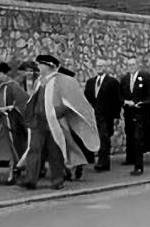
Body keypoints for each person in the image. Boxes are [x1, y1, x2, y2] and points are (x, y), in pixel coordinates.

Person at [19, 54, 100, 190]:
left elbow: (74, 102)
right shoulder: (39, 81)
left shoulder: (63, 81)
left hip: (55, 122)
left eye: (40, 64)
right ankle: (30, 179)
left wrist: (58, 110)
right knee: (34, 149)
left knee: (55, 151)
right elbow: (33, 100)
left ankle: (58, 180)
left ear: (49, 66)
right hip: (38, 122)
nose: (38, 67)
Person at [119, 55, 150, 175]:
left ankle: (139, 166)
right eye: (129, 65)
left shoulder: (145, 77)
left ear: (137, 65)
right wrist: (125, 101)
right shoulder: (124, 79)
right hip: (129, 112)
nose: (131, 67)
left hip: (142, 112)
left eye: (133, 64)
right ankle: (131, 158)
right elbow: (120, 95)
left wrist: (142, 102)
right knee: (130, 134)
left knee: (138, 137)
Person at [84, 58, 121, 172]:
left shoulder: (112, 82)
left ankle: (103, 162)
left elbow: (116, 100)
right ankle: (92, 159)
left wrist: (116, 116)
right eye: (98, 66)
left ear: (106, 67)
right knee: (93, 138)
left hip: (106, 115)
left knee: (104, 138)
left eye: (101, 66)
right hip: (93, 115)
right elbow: (87, 98)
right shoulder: (91, 82)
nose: (99, 68)